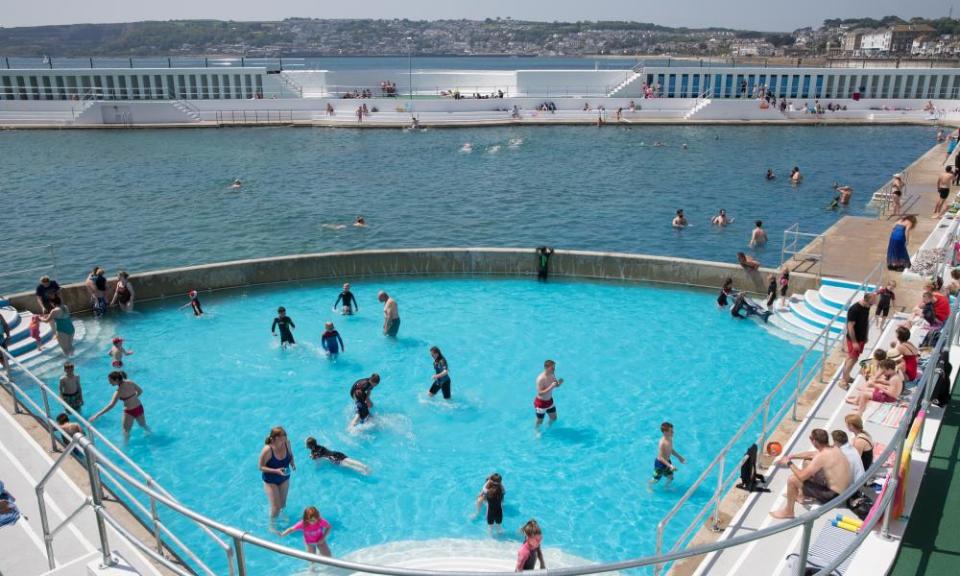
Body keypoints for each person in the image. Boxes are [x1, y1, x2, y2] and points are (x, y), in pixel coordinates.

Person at [769, 429, 852, 519]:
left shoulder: (821, 457)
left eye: (810, 438)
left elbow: (801, 476)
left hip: (833, 496)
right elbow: (811, 454)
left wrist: (789, 462)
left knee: (792, 479)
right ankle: (801, 495)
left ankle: (788, 511)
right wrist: (791, 456)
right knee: (807, 462)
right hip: (845, 489)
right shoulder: (834, 448)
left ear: (815, 441)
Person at [89, 371, 149, 440]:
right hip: (139, 407)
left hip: (129, 412)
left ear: (117, 380)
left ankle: (126, 447)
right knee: (144, 426)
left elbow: (111, 405)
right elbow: (140, 391)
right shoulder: (130, 382)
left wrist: (97, 414)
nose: (110, 383)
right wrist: (133, 398)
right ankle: (151, 437)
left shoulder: (118, 392)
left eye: (111, 381)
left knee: (126, 431)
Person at [259, 426, 295, 518]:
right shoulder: (267, 450)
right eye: (284, 436)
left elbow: (290, 455)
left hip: (284, 477)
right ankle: (272, 526)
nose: (286, 437)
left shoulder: (287, 443)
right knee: (276, 507)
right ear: (276, 438)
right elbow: (260, 467)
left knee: (283, 505)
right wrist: (276, 471)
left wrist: (292, 463)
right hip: (270, 480)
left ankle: (283, 519)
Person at [841, 293, 874, 388]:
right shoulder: (854, 309)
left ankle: (846, 377)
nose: (873, 304)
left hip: (861, 337)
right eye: (872, 302)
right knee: (853, 359)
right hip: (854, 339)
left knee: (850, 358)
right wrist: (854, 342)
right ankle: (843, 381)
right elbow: (850, 327)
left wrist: (866, 335)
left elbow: (865, 321)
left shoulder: (867, 306)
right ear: (866, 300)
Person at [648, 422, 685, 489]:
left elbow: (671, 450)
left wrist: (679, 457)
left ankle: (666, 487)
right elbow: (660, 457)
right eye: (671, 431)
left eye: (672, 430)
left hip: (667, 462)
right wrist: (670, 466)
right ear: (665, 432)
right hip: (660, 464)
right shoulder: (662, 443)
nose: (673, 432)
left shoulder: (670, 439)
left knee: (670, 477)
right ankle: (648, 486)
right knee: (655, 480)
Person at [305, 437, 370, 474]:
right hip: (337, 453)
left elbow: (317, 462)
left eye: (307, 445)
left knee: (349, 466)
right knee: (350, 461)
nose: (306, 445)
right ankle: (364, 466)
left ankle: (363, 471)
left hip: (334, 459)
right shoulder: (320, 446)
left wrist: (317, 468)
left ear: (310, 446)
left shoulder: (313, 452)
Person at [534, 359, 563, 430]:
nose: (554, 369)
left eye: (554, 367)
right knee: (540, 421)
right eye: (552, 368)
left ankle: (548, 428)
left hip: (550, 401)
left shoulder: (552, 374)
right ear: (546, 368)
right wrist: (551, 387)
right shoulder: (540, 379)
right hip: (541, 403)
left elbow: (556, 385)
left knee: (554, 418)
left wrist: (559, 383)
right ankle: (536, 431)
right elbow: (540, 393)